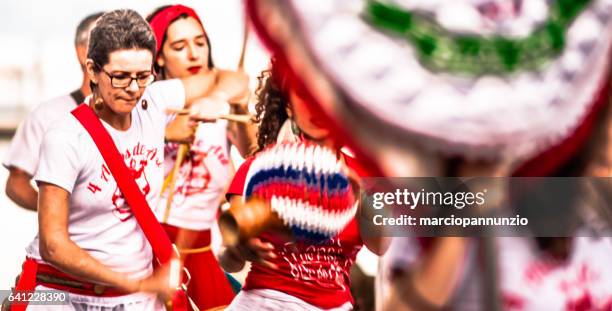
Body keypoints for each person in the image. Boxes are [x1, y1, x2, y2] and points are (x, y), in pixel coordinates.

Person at [11, 9, 246, 310]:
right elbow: (53, 246)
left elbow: (233, 79)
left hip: (137, 295)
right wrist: (140, 284)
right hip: (62, 293)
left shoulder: (155, 102)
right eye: (120, 77)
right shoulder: (65, 136)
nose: (134, 89)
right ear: (93, 70)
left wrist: (216, 98)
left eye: (142, 76)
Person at [218, 60, 386, 311]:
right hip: (262, 302)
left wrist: (361, 191)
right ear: (288, 105)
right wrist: (236, 249)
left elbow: (382, 246)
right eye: (306, 94)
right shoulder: (258, 169)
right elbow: (229, 262)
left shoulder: (364, 174)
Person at [145, 4, 254, 310]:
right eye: (179, 46)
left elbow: (252, 155)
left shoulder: (223, 92)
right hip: (151, 243)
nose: (194, 54)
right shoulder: (150, 99)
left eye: (200, 42)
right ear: (160, 57)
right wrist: (164, 133)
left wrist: (237, 107)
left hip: (203, 245)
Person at [3, 12, 103, 211]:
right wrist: (57, 214)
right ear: (82, 53)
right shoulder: (47, 114)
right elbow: (16, 183)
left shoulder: (138, 114)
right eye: (106, 44)